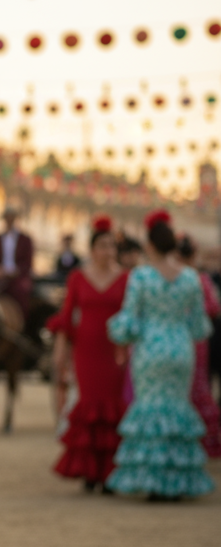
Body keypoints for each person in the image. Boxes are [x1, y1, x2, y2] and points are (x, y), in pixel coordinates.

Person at [106, 210, 214, 500]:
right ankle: (176, 480)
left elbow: (129, 320)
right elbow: (200, 325)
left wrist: (120, 332)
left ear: (150, 245)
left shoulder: (141, 276)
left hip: (150, 349)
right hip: (180, 348)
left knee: (151, 409)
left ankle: (154, 480)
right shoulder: (190, 277)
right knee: (177, 408)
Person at [49, 216, 128, 491]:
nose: (108, 251)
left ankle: (111, 472)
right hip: (86, 349)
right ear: (93, 249)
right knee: (88, 405)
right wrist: (61, 351)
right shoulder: (78, 277)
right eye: (103, 245)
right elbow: (67, 316)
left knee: (113, 407)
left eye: (112, 246)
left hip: (116, 350)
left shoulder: (127, 278)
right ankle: (89, 471)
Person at [177, 234, 221, 458]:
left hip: (177, 338)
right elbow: (213, 307)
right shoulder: (199, 279)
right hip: (196, 340)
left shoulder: (175, 277)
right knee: (198, 384)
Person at [0, 207, 33, 318]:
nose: (9, 221)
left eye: (11, 218)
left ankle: (23, 320)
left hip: (18, 277)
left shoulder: (25, 240)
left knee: (22, 292)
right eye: (7, 218)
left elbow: (27, 263)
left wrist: (14, 271)